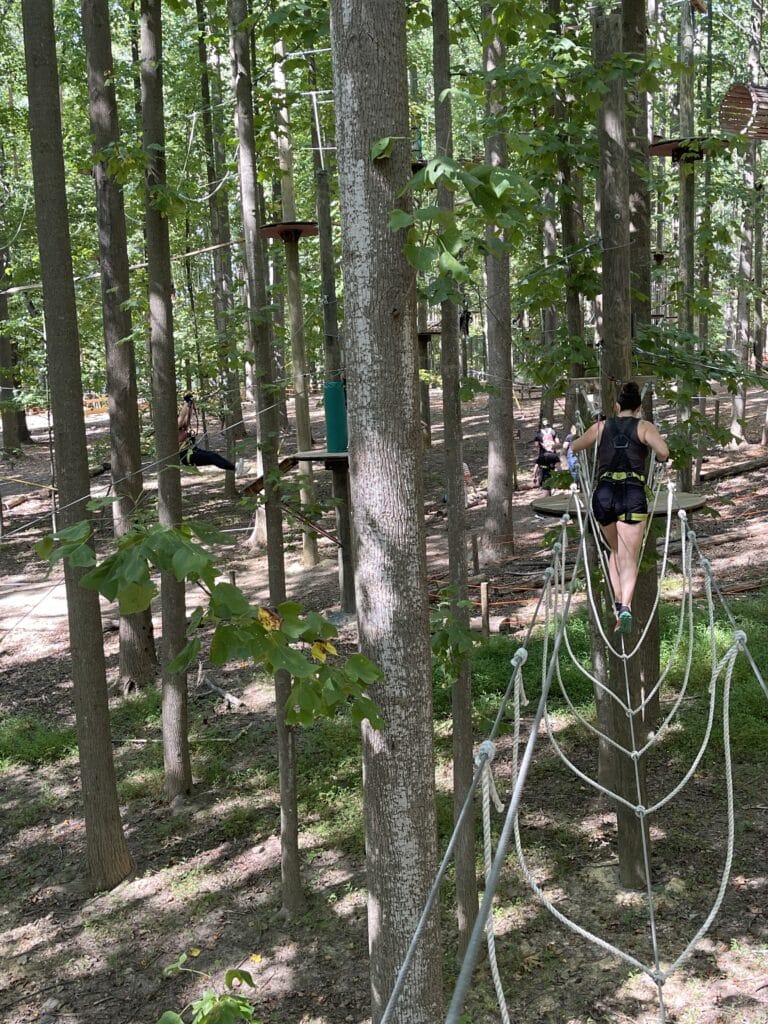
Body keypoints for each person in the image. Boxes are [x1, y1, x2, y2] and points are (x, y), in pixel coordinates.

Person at [571, 381, 669, 635]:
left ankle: (618, 605)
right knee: (629, 557)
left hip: (603, 494)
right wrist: (657, 458)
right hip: (632, 494)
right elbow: (663, 452)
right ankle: (625, 606)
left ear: (616, 406)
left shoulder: (601, 426)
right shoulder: (644, 426)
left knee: (615, 550)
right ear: (638, 408)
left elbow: (575, 447)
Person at [178, 393, 236, 472]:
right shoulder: (175, 430)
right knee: (211, 458)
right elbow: (181, 417)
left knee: (214, 455)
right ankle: (234, 468)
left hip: (192, 451)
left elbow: (188, 416)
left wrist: (190, 403)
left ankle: (234, 467)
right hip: (186, 456)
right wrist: (186, 402)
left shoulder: (182, 427)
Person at [533, 418, 561, 492]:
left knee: (542, 469)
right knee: (553, 469)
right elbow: (558, 442)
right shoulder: (553, 431)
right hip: (552, 454)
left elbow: (536, 444)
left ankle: (543, 486)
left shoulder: (539, 433)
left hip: (543, 454)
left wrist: (540, 443)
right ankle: (553, 485)